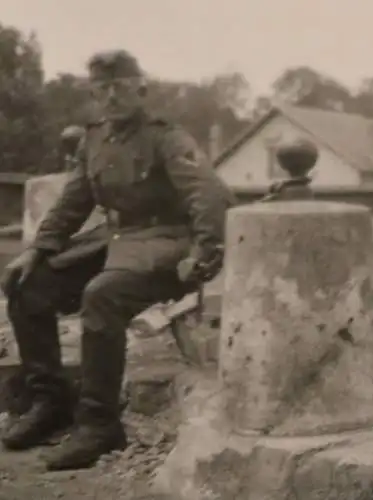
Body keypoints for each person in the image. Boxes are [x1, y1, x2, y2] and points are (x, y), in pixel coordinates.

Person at [0, 49, 235, 470]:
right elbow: (72, 202)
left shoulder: (167, 137)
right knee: (27, 284)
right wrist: (38, 248)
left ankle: (99, 425)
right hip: (117, 239)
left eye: (121, 87)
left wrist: (204, 251)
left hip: (168, 241)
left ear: (140, 89)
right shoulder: (94, 139)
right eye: (102, 89)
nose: (111, 97)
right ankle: (50, 401)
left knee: (101, 294)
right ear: (93, 94)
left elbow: (208, 194)